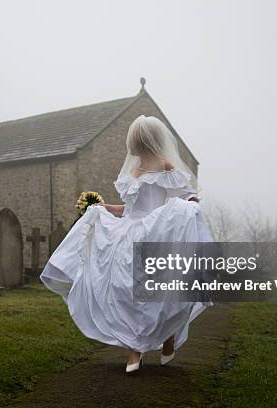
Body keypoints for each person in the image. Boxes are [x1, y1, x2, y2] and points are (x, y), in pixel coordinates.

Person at [40, 115, 213, 373]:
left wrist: (185, 210)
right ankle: (136, 349)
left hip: (157, 231)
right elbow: (130, 209)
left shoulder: (166, 165)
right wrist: (104, 208)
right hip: (130, 232)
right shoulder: (133, 171)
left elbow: (187, 197)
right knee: (126, 290)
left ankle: (167, 338)